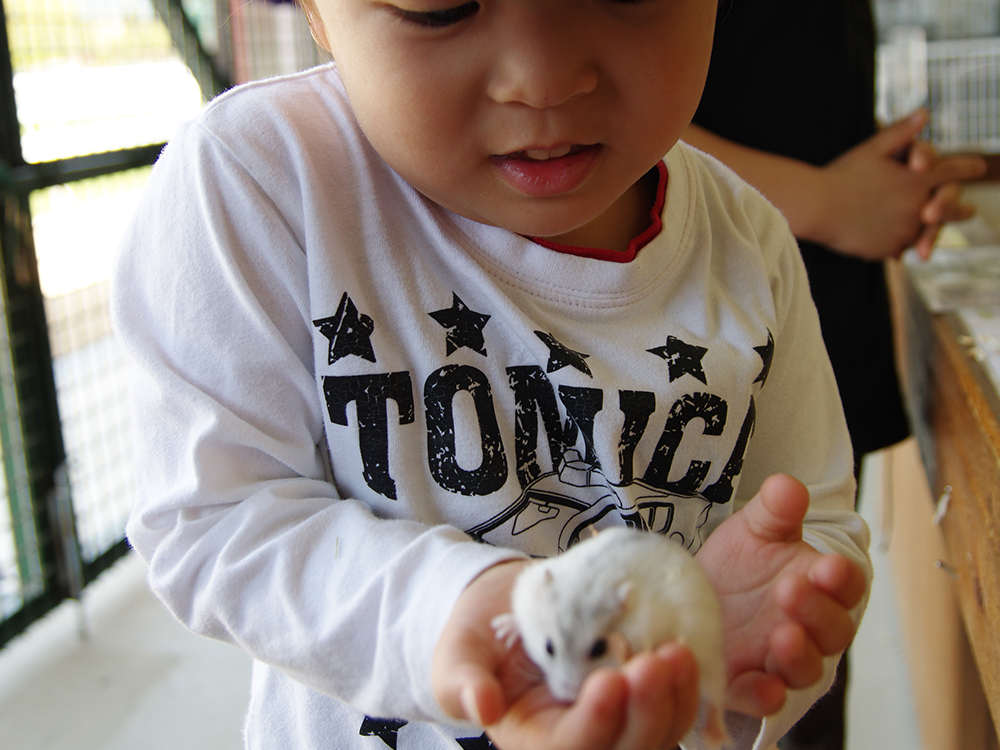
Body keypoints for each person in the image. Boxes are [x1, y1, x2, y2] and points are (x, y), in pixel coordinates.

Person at [110, 1, 871, 749]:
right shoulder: (261, 180)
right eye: (440, 8)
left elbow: (820, 524)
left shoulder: (751, 243)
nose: (543, 81)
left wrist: (748, 646)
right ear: (315, 13)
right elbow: (212, 517)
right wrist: (450, 614)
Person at [684, 2, 988, 749]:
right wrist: (827, 202)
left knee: (800, 663)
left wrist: (891, 186)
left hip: (812, 328)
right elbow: (592, 81)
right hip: (692, 339)